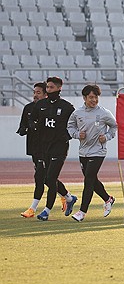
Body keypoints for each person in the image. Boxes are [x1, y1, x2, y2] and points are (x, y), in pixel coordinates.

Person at [30, 76, 78, 221]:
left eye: (51, 87)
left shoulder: (67, 107)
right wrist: (33, 125)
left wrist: (66, 136)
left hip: (59, 147)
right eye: (48, 87)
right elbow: (33, 119)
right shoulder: (41, 105)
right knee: (45, 178)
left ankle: (46, 210)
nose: (48, 90)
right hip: (44, 147)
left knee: (51, 178)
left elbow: (75, 124)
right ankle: (69, 198)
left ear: (58, 88)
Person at [67, 85, 117, 222]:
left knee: (88, 180)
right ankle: (108, 199)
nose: (94, 100)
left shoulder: (104, 113)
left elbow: (114, 126)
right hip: (83, 152)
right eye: (91, 97)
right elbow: (70, 126)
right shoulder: (77, 113)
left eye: (96, 97)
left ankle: (82, 212)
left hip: (98, 151)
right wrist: (77, 134)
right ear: (84, 98)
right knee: (93, 180)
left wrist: (106, 137)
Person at [17, 82, 66, 217]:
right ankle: (67, 196)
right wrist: (24, 129)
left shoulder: (49, 109)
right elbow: (22, 126)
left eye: (38, 93)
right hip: (34, 149)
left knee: (40, 177)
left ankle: (33, 208)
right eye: (34, 92)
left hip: (47, 148)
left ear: (46, 94)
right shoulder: (28, 108)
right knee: (47, 178)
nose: (35, 95)